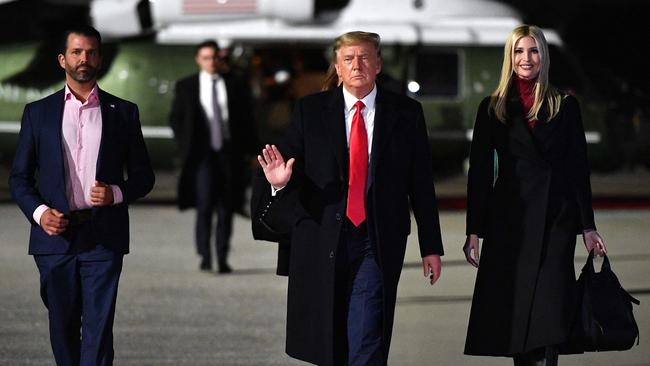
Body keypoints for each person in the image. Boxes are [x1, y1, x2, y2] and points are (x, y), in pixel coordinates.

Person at [257, 31, 444, 366]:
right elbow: (284, 168)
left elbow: (420, 184)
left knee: (368, 327)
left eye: (365, 57)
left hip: (377, 238)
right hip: (323, 235)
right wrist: (280, 183)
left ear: (378, 64)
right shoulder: (310, 111)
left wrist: (431, 246)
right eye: (348, 59)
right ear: (338, 68)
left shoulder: (406, 114)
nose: (357, 65)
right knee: (330, 334)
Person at [9, 25, 154, 366]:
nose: (83, 58)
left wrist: (116, 192)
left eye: (90, 52)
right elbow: (19, 177)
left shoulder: (124, 112)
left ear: (100, 59)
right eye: (76, 52)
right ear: (62, 59)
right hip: (53, 239)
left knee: (99, 329)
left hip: (103, 237)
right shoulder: (38, 113)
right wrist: (40, 212)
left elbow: (144, 176)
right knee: (62, 327)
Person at [462, 24, 607, 366]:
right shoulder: (492, 107)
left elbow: (577, 169)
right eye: (519, 51)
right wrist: (474, 230)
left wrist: (588, 227)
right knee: (515, 308)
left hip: (556, 219)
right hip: (509, 221)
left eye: (533, 51)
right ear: (509, 58)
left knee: (550, 309)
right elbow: (480, 173)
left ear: (544, 56)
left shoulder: (565, 105)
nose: (526, 58)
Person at [170, 40, 258, 273]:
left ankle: (222, 255)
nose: (212, 62)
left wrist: (251, 150)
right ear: (199, 59)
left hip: (229, 153)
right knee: (205, 204)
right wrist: (185, 146)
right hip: (202, 155)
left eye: (216, 58)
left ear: (221, 60)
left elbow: (247, 120)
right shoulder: (186, 86)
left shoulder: (236, 85)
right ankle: (205, 255)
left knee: (227, 207)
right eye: (207, 57)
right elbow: (177, 118)